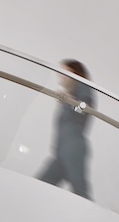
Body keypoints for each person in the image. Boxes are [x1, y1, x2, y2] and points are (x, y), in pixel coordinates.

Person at [37, 58, 96, 199]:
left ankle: (92, 218)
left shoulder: (83, 87)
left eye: (64, 72)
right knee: (41, 185)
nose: (60, 76)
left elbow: (85, 107)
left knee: (80, 191)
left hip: (73, 147)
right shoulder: (72, 94)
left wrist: (70, 100)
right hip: (61, 151)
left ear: (74, 73)